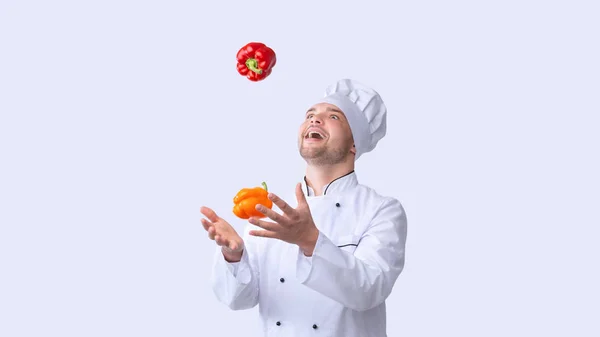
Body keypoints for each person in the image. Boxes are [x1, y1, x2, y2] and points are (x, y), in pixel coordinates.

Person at [200, 78, 408, 337]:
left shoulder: (381, 210)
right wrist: (235, 256)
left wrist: (310, 241)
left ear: (355, 143)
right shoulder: (272, 208)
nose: (315, 119)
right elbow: (238, 299)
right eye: (310, 114)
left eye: (333, 116)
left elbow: (368, 290)